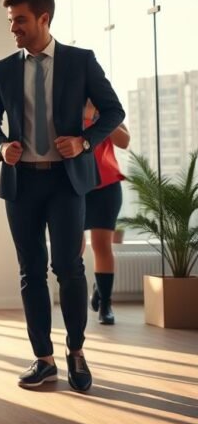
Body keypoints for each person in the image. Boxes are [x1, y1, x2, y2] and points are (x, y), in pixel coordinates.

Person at [0, 0, 124, 392]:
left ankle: (76, 351)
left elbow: (113, 111)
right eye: (10, 20)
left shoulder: (81, 61)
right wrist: (1, 145)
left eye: (20, 19)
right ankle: (42, 358)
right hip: (21, 182)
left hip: (66, 182)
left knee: (69, 267)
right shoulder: (4, 68)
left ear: (44, 19)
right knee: (30, 272)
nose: (13, 28)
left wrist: (84, 141)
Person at [82, 100, 130, 325]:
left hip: (107, 185)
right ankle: (78, 302)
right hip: (76, 185)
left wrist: (101, 118)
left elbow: (124, 141)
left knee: (102, 245)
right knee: (74, 248)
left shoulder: (108, 108)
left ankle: (105, 304)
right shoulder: (67, 104)